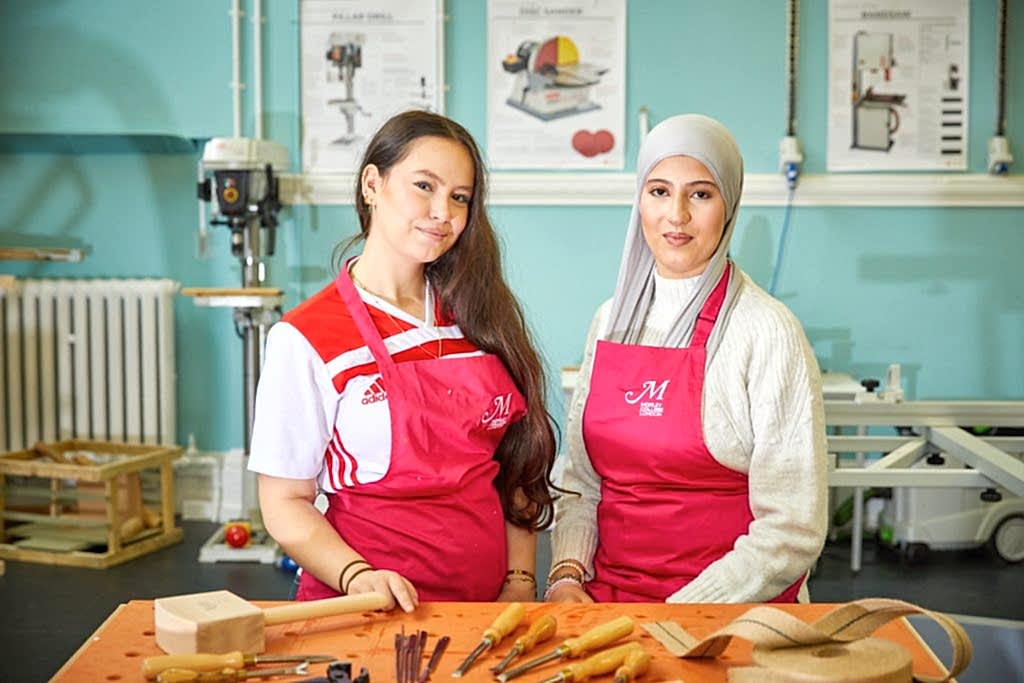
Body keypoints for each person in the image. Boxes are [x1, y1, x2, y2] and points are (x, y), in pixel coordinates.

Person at [248, 110, 558, 611]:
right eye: (424, 186)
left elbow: (514, 469)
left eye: (460, 197)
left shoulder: (481, 318)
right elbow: (283, 503)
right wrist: (356, 576)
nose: (444, 213)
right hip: (364, 609)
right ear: (373, 184)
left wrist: (521, 579)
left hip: (485, 609)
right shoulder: (306, 337)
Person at [546, 114, 827, 604]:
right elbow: (582, 484)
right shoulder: (610, 321)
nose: (675, 214)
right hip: (606, 606)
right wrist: (567, 575)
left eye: (700, 194)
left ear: (729, 205)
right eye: (658, 191)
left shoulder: (766, 329)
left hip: (730, 614)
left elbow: (793, 528)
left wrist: (684, 615)